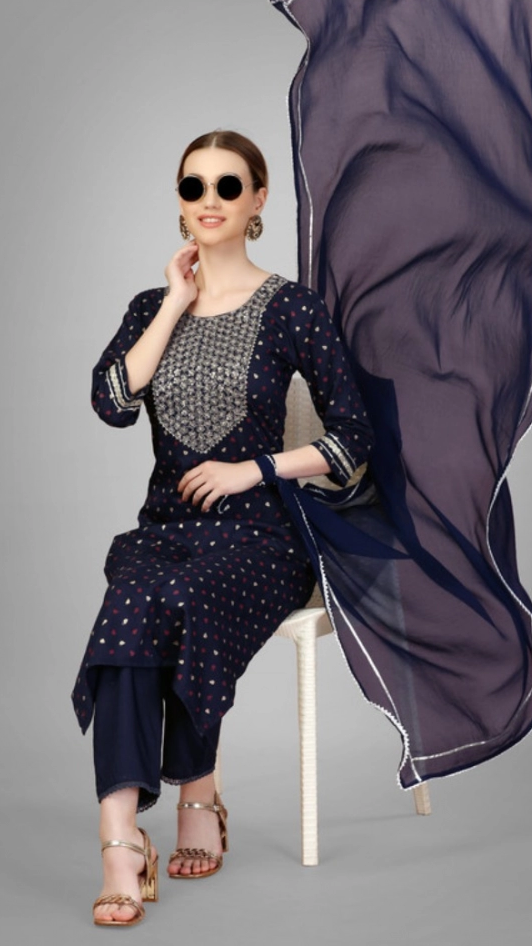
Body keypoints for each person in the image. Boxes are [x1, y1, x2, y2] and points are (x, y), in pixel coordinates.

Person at [71, 129, 375, 926]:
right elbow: (112, 402)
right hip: (166, 528)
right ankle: (121, 835)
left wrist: (256, 469)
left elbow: (353, 437)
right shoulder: (151, 308)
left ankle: (193, 793)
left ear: (258, 198)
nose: (209, 201)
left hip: (262, 537)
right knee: (134, 600)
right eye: (194, 186)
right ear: (180, 201)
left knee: (174, 596)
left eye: (228, 186)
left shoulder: (291, 308)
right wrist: (176, 300)